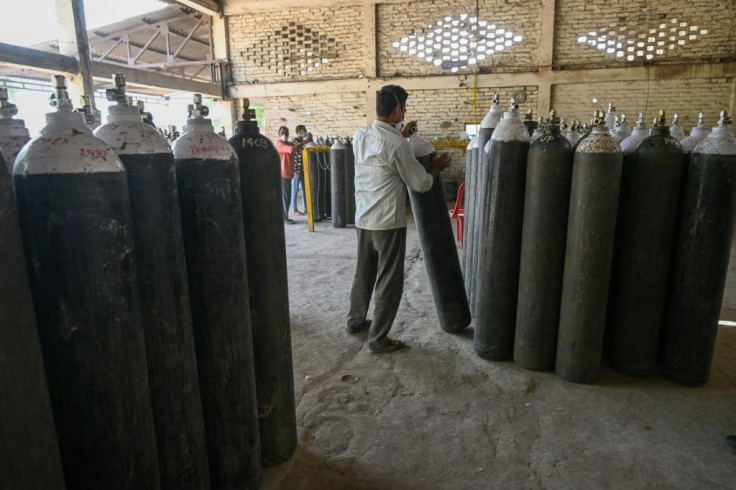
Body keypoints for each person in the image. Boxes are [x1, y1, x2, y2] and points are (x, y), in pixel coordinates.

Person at [347, 85, 451, 353]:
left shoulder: (360, 135)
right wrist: (435, 168)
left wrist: (402, 136)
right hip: (387, 222)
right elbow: (420, 184)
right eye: (403, 108)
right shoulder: (396, 145)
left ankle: (355, 321)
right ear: (397, 110)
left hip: (363, 217)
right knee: (389, 281)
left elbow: (383, 154)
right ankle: (379, 339)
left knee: (364, 272)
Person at [275, 126, 312, 224]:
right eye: (283, 133)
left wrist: (307, 141)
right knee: (285, 196)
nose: (285, 135)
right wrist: (305, 141)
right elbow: (292, 149)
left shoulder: (288, 143)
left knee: (287, 196)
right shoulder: (279, 144)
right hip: (282, 173)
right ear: (278, 133)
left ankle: (285, 216)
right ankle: (284, 218)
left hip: (289, 173)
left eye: (286, 133)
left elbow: (298, 147)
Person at [290, 125, 309, 216]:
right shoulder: (294, 141)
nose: (304, 132)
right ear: (298, 132)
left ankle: (306, 208)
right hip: (296, 169)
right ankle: (295, 209)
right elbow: (297, 149)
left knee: (305, 190)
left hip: (304, 168)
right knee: (295, 189)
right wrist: (305, 141)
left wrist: (309, 140)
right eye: (303, 131)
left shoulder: (304, 141)